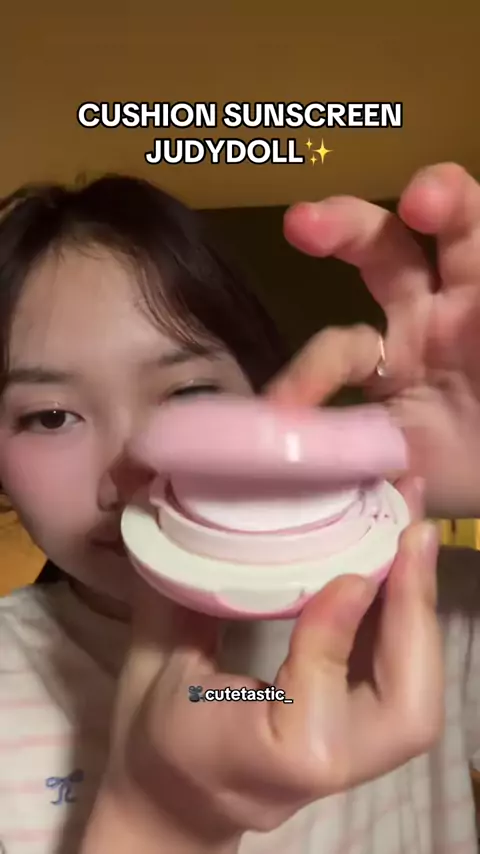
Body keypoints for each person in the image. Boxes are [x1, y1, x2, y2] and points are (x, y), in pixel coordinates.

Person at [0, 164, 475, 854]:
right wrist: (157, 821)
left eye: (189, 394)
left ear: (267, 399)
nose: (135, 470)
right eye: (50, 416)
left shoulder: (432, 613)